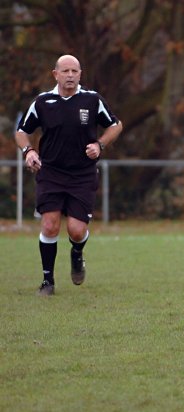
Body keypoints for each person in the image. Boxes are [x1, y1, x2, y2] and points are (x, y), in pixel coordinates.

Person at [15, 54, 122, 296]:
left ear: (80, 74)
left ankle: (77, 253)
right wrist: (28, 151)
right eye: (65, 71)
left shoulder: (92, 100)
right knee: (50, 225)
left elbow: (116, 125)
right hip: (50, 173)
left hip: (82, 174)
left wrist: (100, 145)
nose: (70, 75)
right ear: (56, 74)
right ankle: (47, 281)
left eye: (75, 71)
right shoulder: (43, 102)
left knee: (75, 230)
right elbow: (22, 131)